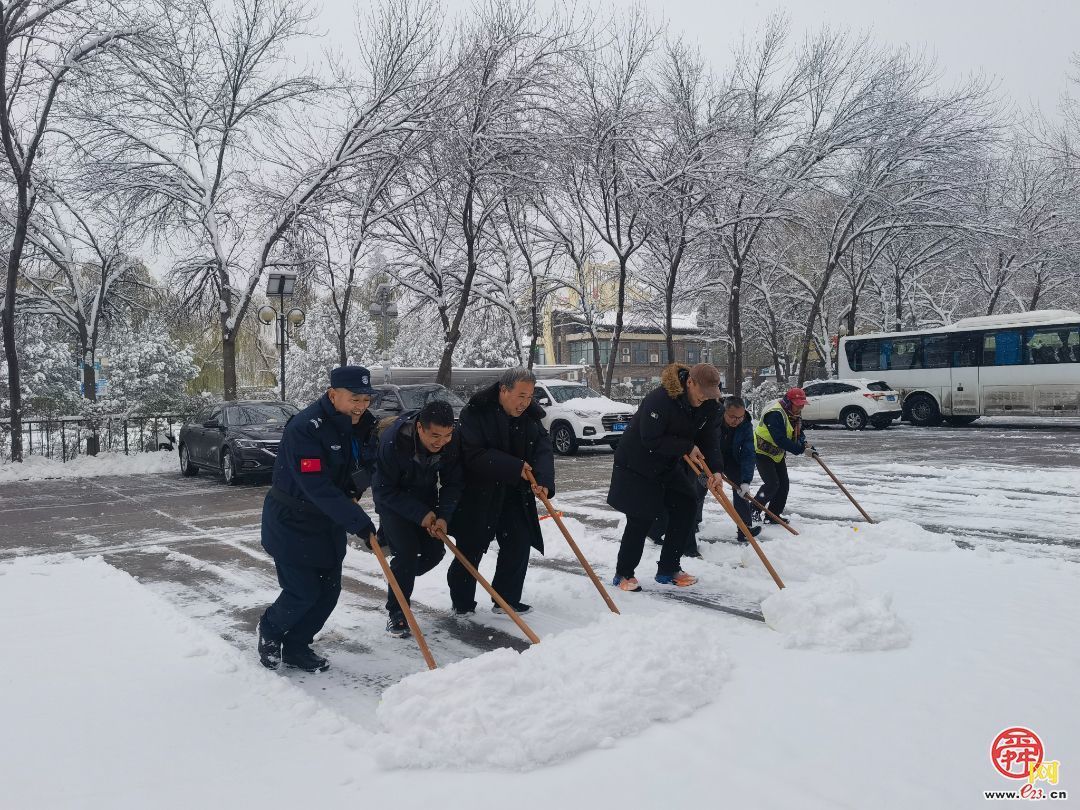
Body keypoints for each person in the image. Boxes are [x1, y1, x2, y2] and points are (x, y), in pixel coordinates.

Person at [257, 365, 379, 673]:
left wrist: (356, 486)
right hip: (292, 521)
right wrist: (359, 523)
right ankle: (270, 630)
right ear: (333, 394)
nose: (361, 406)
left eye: (366, 399)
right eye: (355, 399)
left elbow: (366, 464)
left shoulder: (362, 424)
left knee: (328, 593)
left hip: (328, 521)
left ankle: (297, 646)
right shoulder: (305, 428)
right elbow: (317, 486)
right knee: (302, 592)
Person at [447, 368, 555, 615]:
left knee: (519, 542)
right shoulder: (475, 412)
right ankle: (462, 602)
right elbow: (473, 454)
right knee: (471, 548)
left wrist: (543, 480)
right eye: (521, 396)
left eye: (530, 396)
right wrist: (515, 466)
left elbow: (542, 447)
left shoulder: (529, 415)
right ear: (504, 390)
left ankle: (506, 599)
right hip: (479, 492)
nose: (525, 402)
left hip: (514, 492)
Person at [607, 362, 724, 591]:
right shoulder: (660, 399)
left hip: (667, 464)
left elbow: (710, 440)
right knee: (641, 516)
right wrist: (686, 447)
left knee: (687, 504)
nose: (705, 398)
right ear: (690, 382)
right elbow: (650, 438)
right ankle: (623, 574)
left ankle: (669, 568)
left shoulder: (709, 405)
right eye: (702, 392)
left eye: (710, 394)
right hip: (637, 464)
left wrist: (716, 470)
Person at [372, 400, 464, 638]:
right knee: (406, 554)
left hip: (425, 496)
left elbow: (453, 483)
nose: (441, 442)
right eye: (435, 436)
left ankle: (399, 576)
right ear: (420, 428)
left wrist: (443, 516)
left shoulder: (451, 442)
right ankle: (397, 612)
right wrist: (419, 514)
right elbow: (383, 490)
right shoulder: (393, 442)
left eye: (447, 435)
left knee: (435, 553)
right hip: (393, 502)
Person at [752, 387, 813, 526]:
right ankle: (753, 510)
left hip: (777, 454)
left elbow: (798, 433)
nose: (801, 407)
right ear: (789, 402)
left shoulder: (793, 414)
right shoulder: (775, 414)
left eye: (802, 404)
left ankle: (772, 515)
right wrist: (800, 449)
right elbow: (780, 439)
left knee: (783, 485)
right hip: (762, 451)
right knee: (772, 484)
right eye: (798, 404)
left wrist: (805, 445)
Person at [717, 396, 761, 543]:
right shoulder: (713, 417)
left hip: (730, 457)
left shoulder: (745, 425)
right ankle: (693, 523)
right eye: (732, 417)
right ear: (724, 411)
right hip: (710, 455)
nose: (736, 421)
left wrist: (745, 481)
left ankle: (744, 529)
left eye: (740, 417)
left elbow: (748, 453)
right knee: (700, 487)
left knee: (740, 488)